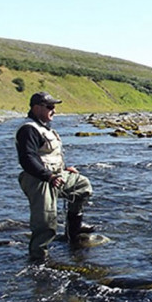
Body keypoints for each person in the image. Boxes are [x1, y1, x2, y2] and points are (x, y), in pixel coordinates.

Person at [16, 91, 94, 261]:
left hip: (56, 175)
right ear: (37, 108)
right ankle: (38, 260)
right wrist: (48, 176)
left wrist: (65, 169)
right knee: (46, 223)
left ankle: (73, 231)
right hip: (39, 180)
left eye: (54, 107)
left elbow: (46, 155)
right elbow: (27, 159)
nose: (54, 111)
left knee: (82, 186)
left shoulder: (45, 127)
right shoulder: (28, 129)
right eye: (50, 107)